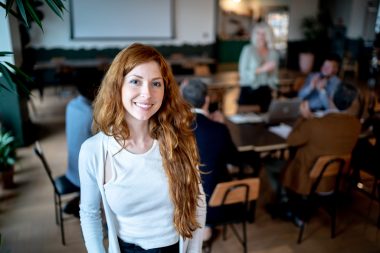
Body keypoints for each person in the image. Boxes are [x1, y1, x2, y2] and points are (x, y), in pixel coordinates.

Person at [79, 43, 206, 253]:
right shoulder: (94, 151)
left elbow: (198, 202)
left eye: (156, 84)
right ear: (117, 86)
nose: (147, 94)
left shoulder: (178, 140)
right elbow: (90, 213)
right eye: (135, 82)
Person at [266, 82, 361, 220]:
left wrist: (303, 118)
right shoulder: (355, 124)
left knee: (270, 164)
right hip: (335, 180)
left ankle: (287, 204)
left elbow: (292, 140)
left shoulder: (314, 124)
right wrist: (310, 119)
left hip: (306, 179)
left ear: (330, 98)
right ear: (352, 103)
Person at [181, 78, 242, 242]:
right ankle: (206, 229)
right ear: (207, 100)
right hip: (215, 202)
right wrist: (222, 126)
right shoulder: (218, 129)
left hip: (180, 201)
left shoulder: (174, 128)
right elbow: (235, 160)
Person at [63, 78, 99, 217]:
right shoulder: (92, 114)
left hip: (71, 168)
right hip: (83, 174)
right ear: (93, 91)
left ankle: (78, 201)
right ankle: (85, 205)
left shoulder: (71, 105)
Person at [238, 21, 279, 112]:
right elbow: (242, 74)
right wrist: (262, 69)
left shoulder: (273, 53)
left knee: (267, 123)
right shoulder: (248, 50)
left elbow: (274, 76)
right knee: (247, 125)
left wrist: (273, 86)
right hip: (249, 91)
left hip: (266, 93)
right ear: (254, 34)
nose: (260, 36)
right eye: (258, 33)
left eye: (264, 34)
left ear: (268, 36)